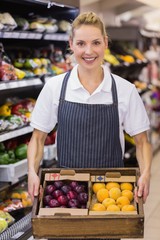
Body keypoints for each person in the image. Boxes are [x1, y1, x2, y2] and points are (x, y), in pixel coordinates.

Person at [27, 11, 152, 240]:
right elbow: (37, 138)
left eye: (95, 42)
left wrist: (145, 174)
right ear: (71, 45)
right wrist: (32, 173)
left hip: (111, 193)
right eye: (81, 43)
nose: (88, 51)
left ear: (105, 43)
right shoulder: (55, 88)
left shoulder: (124, 90)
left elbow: (142, 141)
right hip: (67, 190)